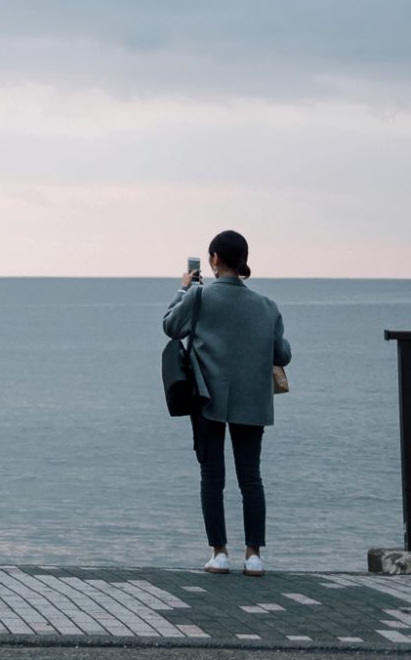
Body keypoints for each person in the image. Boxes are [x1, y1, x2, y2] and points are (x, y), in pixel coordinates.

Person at [162, 229, 290, 577]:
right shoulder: (267, 306)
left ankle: (219, 554)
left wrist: (183, 287)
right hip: (252, 402)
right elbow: (284, 354)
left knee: (212, 477)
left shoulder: (200, 297)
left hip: (208, 399)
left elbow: (170, 326)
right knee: (251, 478)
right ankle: (254, 556)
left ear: (214, 260)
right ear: (243, 261)